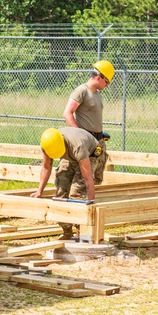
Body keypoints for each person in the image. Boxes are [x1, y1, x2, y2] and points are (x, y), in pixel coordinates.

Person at [62, 60, 113, 213]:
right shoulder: (81, 91)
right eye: (107, 81)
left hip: (97, 141)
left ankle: (85, 206)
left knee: (96, 178)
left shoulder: (96, 94)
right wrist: (80, 135)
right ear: (99, 77)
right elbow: (67, 113)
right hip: (85, 143)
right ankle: (77, 217)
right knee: (81, 182)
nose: (107, 85)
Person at [31, 127, 100, 240]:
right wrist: (39, 191)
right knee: (60, 196)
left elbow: (88, 180)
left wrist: (91, 205)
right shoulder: (47, 145)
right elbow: (46, 167)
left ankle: (83, 234)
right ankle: (67, 232)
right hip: (69, 153)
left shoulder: (78, 147)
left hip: (90, 153)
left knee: (76, 194)